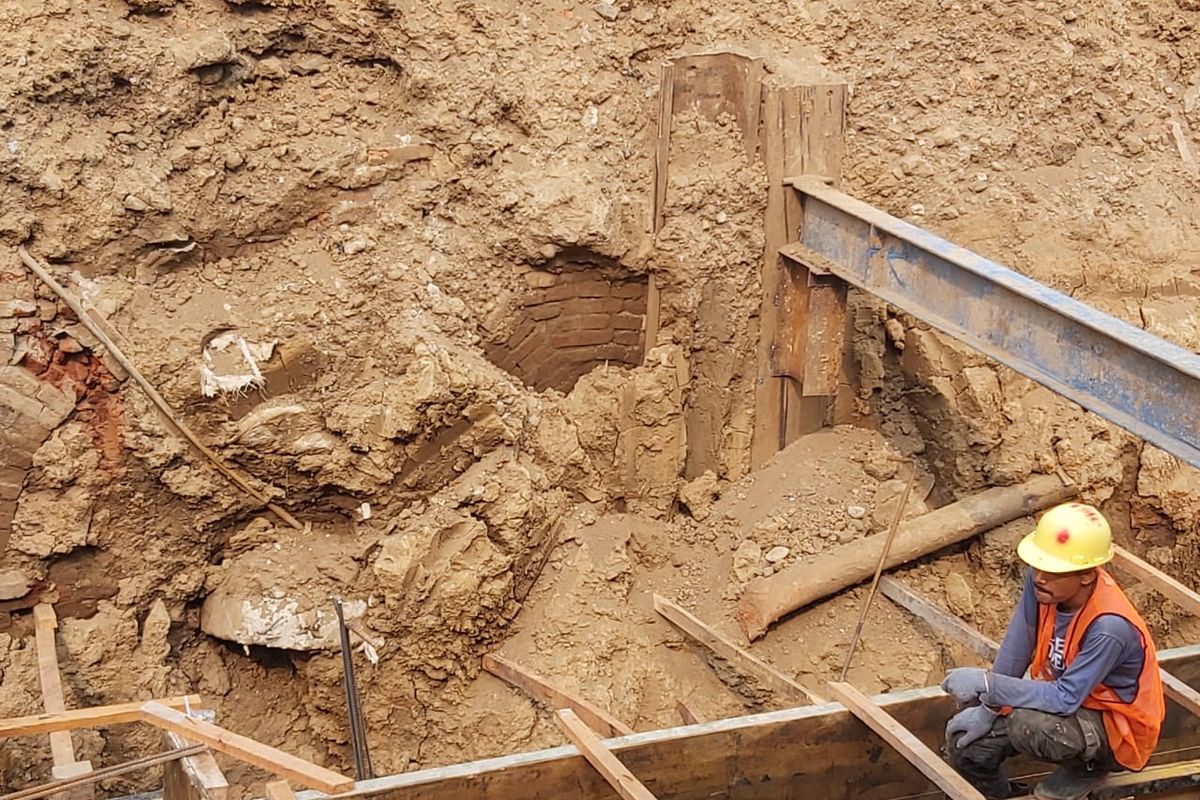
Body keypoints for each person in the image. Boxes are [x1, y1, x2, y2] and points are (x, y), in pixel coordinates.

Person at [940, 502, 1165, 800]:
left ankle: (1088, 768)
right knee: (968, 747)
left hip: (1113, 731)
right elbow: (1018, 645)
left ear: (1086, 574)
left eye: (1052, 570)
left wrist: (987, 684)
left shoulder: (1109, 627)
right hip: (1065, 705)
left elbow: (1064, 697)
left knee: (1029, 725)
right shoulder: (1043, 586)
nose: (1039, 577)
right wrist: (988, 707)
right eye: (1038, 565)